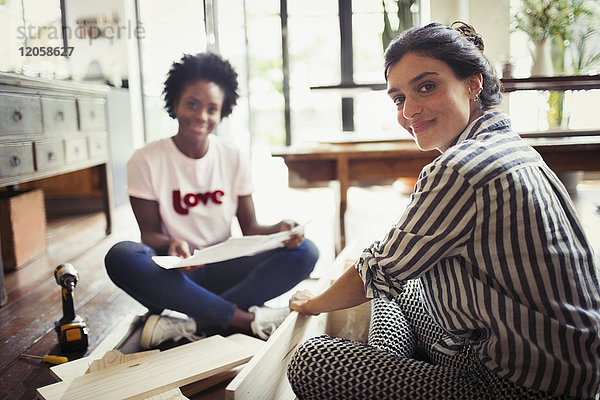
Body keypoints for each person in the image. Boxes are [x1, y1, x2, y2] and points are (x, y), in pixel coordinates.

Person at [287, 22, 600, 399]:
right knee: (401, 287)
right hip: (573, 374)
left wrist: (311, 302)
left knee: (310, 361)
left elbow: (375, 272)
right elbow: (393, 267)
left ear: (473, 84)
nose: (410, 110)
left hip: (520, 387)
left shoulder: (459, 168)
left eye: (426, 86)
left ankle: (386, 374)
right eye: (399, 98)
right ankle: (390, 370)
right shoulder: (511, 145)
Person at [105, 52, 318, 349]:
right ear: (175, 103)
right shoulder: (146, 159)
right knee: (121, 255)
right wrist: (169, 244)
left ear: (222, 112)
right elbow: (148, 234)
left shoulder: (232, 157)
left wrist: (281, 230)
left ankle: (195, 321)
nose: (202, 116)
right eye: (192, 104)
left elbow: (251, 228)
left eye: (212, 109)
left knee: (306, 251)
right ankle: (244, 320)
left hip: (225, 267)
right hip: (177, 276)